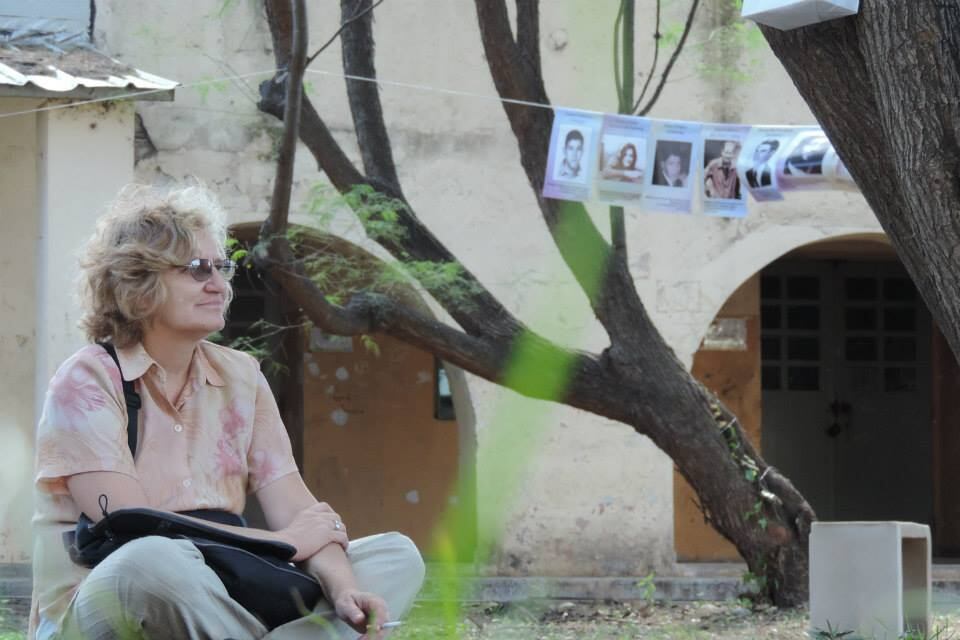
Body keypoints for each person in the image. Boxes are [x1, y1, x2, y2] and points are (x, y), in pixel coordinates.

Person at [30, 184, 425, 640]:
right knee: (154, 560)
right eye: (198, 269)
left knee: (396, 557)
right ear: (139, 283)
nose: (220, 285)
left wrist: (342, 588)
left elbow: (300, 512)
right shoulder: (87, 379)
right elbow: (127, 523)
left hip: (222, 592)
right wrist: (282, 544)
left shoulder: (242, 377)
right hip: (108, 599)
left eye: (223, 267)